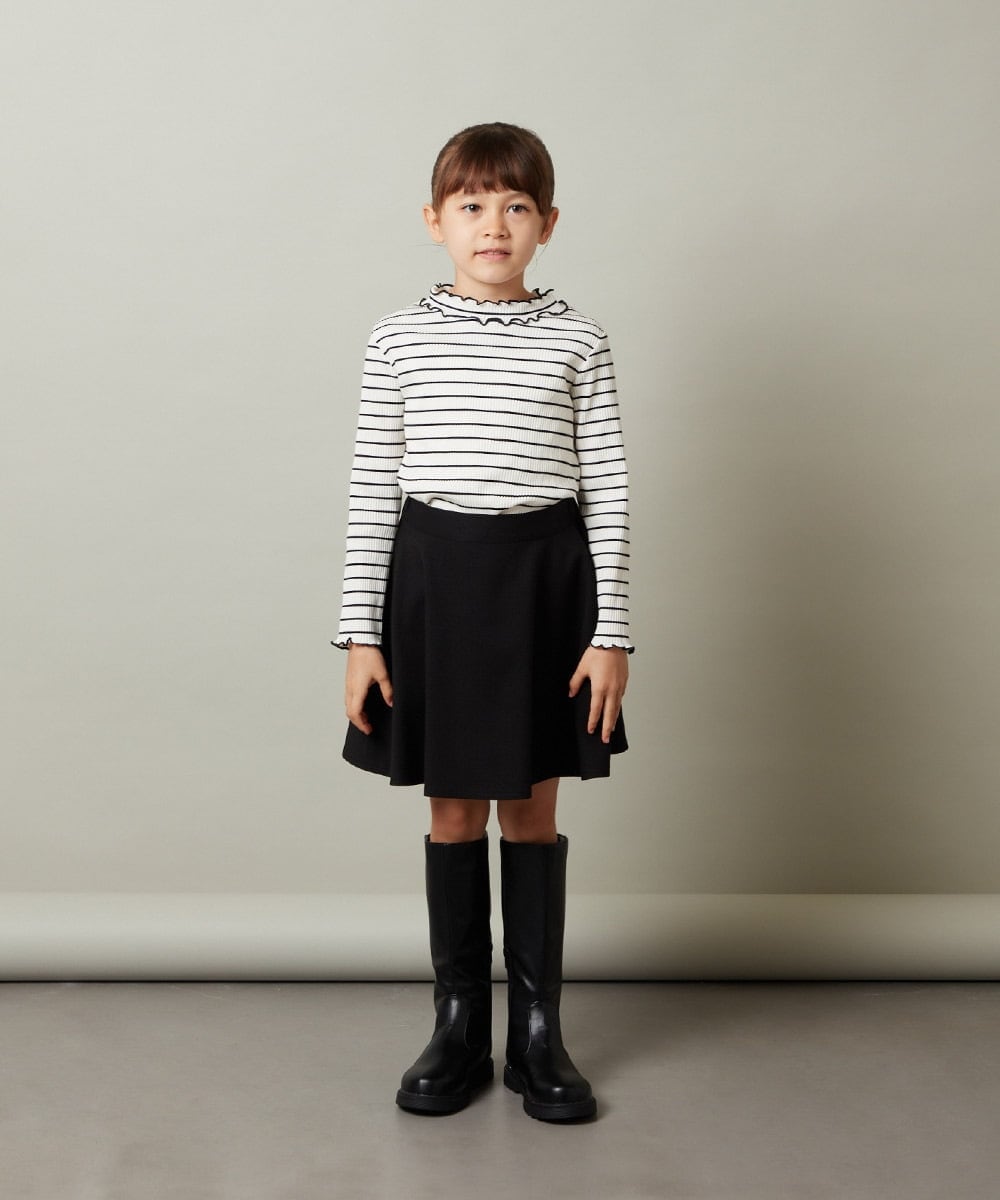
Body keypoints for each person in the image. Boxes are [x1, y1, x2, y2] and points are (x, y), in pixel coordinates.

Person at [334, 122, 632, 1123]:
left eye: (515, 206)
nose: (492, 224)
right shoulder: (397, 338)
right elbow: (372, 491)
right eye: (471, 206)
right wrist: (361, 635)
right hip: (436, 586)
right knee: (454, 810)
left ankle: (537, 1035)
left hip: (546, 584)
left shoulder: (579, 339)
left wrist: (612, 634)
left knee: (531, 810)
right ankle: (458, 1024)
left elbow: (609, 490)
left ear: (548, 223)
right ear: (435, 221)